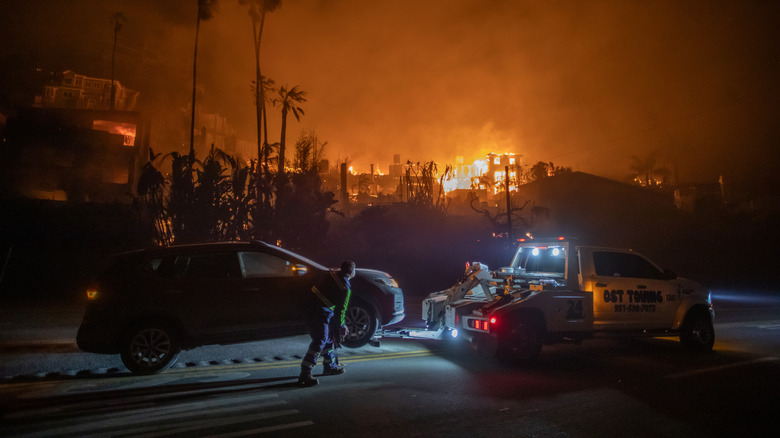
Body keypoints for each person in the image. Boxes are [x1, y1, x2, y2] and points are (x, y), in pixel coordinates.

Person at [298, 260, 355, 387]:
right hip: (320, 312)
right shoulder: (345, 288)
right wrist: (342, 327)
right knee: (320, 340)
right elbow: (341, 311)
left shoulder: (330, 275)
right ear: (352, 272)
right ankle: (305, 372)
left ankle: (330, 366)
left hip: (310, 308)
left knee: (328, 339)